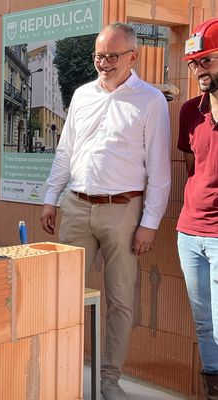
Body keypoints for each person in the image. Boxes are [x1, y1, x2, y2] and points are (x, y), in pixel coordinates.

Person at [39, 23, 171, 400]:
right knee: (62, 293)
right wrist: (51, 197)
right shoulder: (81, 96)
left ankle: (108, 380)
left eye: (113, 56)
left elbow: (160, 171)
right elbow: (65, 151)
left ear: (133, 56)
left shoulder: (150, 101)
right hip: (77, 207)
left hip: (124, 213)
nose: (104, 63)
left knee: (120, 301)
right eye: (99, 56)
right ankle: (61, 373)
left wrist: (149, 224)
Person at [178, 18, 218, 400]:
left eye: (205, 61)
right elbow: (193, 164)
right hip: (189, 233)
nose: (197, 70)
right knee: (204, 324)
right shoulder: (191, 110)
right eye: (194, 64)